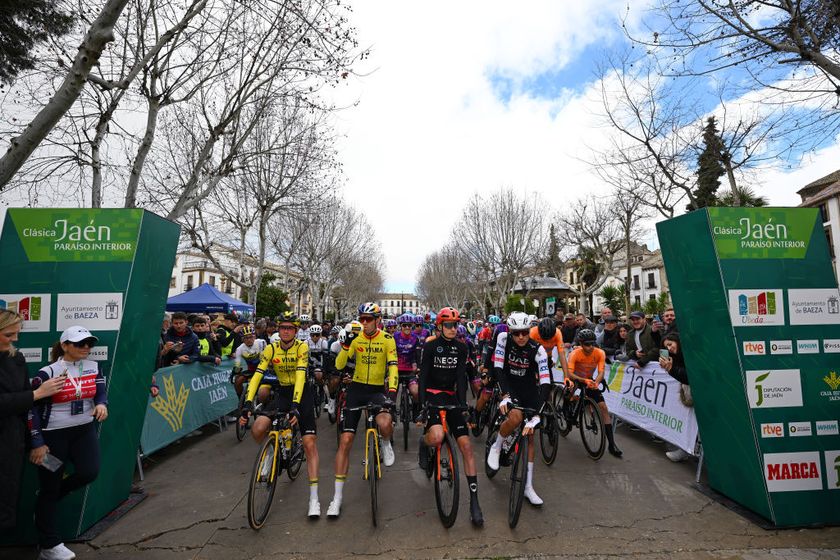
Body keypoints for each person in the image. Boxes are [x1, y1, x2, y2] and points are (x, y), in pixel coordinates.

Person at [30, 326, 108, 560]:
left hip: (83, 431)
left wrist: (102, 404)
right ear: (64, 345)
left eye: (89, 344)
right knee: (50, 486)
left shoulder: (94, 367)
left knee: (89, 472)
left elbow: (101, 392)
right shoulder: (47, 372)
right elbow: (30, 408)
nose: (86, 348)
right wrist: (36, 442)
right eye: (79, 343)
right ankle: (49, 544)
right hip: (52, 437)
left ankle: (48, 499)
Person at [239, 313, 321, 518]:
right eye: (282, 327)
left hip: (302, 394)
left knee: (309, 444)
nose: (285, 331)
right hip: (283, 392)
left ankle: (314, 499)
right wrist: (248, 403)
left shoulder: (302, 347)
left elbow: (301, 374)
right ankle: (269, 454)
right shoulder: (271, 348)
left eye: (290, 328)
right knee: (258, 428)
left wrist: (295, 406)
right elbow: (258, 373)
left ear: (295, 331)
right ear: (278, 329)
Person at [327, 303, 398, 518]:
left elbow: (393, 365)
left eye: (368, 319)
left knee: (385, 423)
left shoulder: (387, 339)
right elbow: (339, 366)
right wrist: (347, 346)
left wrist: (392, 393)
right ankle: (336, 498)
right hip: (356, 390)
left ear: (378, 320)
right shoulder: (355, 338)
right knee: (346, 441)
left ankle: (385, 443)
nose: (364, 322)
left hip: (377, 389)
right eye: (362, 318)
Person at [416, 307, 484, 526]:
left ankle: (474, 502)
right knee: (436, 437)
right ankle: (423, 443)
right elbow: (423, 376)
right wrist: (422, 405)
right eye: (448, 325)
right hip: (432, 396)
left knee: (466, 446)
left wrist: (463, 404)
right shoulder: (430, 346)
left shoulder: (462, 348)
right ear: (439, 326)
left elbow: (461, 378)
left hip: (451, 397)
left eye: (455, 324)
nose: (453, 328)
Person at [0, 311, 65, 532]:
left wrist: (35, 442)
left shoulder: (15, 358)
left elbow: (26, 407)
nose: (15, 339)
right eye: (9, 334)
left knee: (8, 503)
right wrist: (37, 394)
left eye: (17, 333)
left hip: (13, 443)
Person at [486, 312, 550, 506]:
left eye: (524, 333)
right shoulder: (503, 339)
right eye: (516, 333)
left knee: (529, 435)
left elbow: (546, 382)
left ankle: (528, 487)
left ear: (529, 331)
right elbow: (498, 368)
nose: (520, 337)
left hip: (529, 389)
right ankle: (497, 446)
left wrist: (538, 412)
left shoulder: (538, 350)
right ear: (510, 332)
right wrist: (504, 395)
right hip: (509, 384)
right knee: (514, 417)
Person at [566, 329, 622, 457]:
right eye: (586, 344)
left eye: (592, 343)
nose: (590, 347)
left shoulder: (600, 353)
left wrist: (596, 382)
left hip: (589, 380)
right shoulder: (574, 354)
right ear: (580, 343)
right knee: (569, 392)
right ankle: (566, 410)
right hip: (576, 377)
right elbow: (570, 373)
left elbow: (601, 372)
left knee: (603, 407)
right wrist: (582, 380)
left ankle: (612, 445)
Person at [659, 332, 692, 462]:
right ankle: (685, 450)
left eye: (670, 344)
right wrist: (670, 368)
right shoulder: (676, 357)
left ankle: (687, 451)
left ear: (677, 341)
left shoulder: (688, 353)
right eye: (666, 346)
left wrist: (672, 369)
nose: (669, 348)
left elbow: (690, 377)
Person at [393, 313, 421, 414]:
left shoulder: (415, 338)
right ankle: (391, 413)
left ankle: (415, 410)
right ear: (401, 326)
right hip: (396, 369)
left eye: (410, 325)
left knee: (416, 392)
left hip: (410, 370)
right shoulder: (394, 337)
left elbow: (418, 354)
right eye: (405, 325)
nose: (407, 327)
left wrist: (418, 367)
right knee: (391, 393)